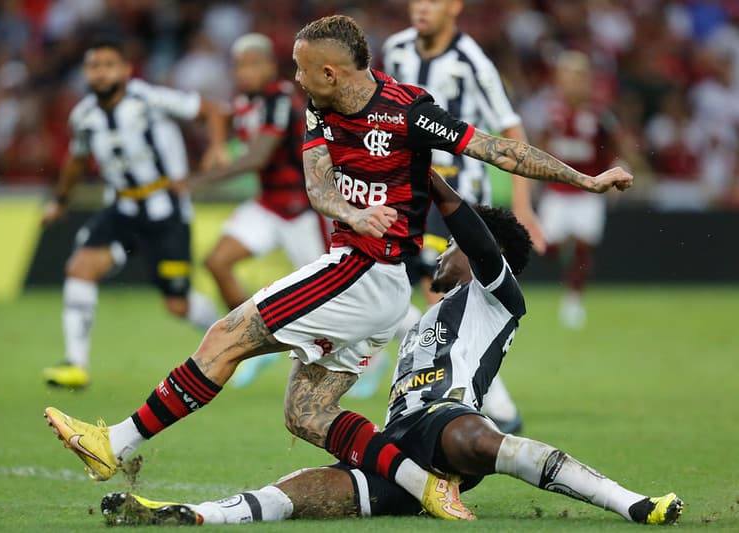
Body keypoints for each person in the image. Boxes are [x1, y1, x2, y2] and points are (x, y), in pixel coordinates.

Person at [43, 15, 632, 521]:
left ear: (330, 72)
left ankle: (112, 443)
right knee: (306, 414)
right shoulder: (318, 108)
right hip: (364, 273)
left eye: (302, 69)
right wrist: (355, 210)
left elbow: (499, 149)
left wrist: (584, 179)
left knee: (224, 337)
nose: (295, 78)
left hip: (365, 271)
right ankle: (427, 486)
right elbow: (319, 188)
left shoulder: (410, 114)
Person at [98, 172, 681, 527]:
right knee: (303, 494)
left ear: (478, 258)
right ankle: (189, 515)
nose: (442, 256)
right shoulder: (428, 311)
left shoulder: (501, 298)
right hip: (396, 444)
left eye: (449, 248)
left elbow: (477, 241)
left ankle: (631, 503)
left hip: (449, 423)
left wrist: (425, 172)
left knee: (477, 437)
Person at [357, 0, 541, 428]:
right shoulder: (398, 48)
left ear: (454, 7)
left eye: (433, 1)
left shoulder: (472, 61)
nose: (421, 9)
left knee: (440, 291)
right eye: (416, 1)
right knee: (395, 285)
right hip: (409, 189)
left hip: (458, 194)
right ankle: (469, 393)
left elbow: (510, 128)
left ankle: (487, 404)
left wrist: (522, 203)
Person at [40, 37, 228, 389]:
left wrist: (216, 148)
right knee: (81, 268)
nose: (100, 73)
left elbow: (211, 109)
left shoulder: (149, 99)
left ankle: (226, 337)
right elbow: (77, 161)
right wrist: (60, 202)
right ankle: (75, 364)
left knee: (178, 304)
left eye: (109, 65)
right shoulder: (83, 115)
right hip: (122, 207)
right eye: (94, 66)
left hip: (166, 210)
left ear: (125, 70)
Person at [194, 33, 330, 387]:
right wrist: (219, 143)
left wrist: (199, 181)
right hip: (269, 206)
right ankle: (248, 344)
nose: (246, 72)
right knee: (217, 262)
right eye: (240, 66)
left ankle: (371, 359)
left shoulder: (281, 98)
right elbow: (220, 115)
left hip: (302, 209)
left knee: (329, 298)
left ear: (271, 66)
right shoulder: (244, 100)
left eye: (254, 64)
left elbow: (259, 156)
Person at [523, 50, 646, 329]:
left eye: (579, 77)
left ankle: (573, 299)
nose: (573, 83)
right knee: (547, 246)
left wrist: (621, 168)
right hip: (557, 191)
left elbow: (621, 148)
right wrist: (530, 179)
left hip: (589, 192)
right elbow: (537, 148)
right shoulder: (549, 112)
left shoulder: (601, 115)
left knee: (583, 245)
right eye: (567, 76)